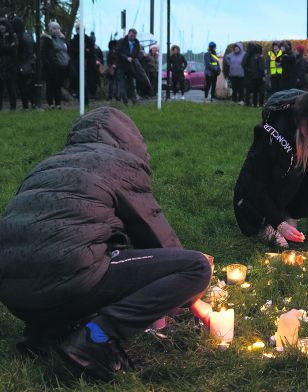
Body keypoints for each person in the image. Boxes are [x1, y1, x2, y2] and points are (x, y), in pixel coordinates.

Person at [0, 106, 213, 381]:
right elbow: (158, 237)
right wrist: (191, 296)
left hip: (15, 294)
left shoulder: (48, 164)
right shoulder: (119, 163)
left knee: (86, 254)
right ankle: (96, 338)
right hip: (71, 280)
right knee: (195, 267)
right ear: (129, 139)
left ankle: (43, 335)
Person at [233, 89, 308, 248]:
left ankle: (288, 214)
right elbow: (254, 185)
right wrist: (278, 223)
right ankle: (268, 223)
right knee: (292, 171)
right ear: (300, 119)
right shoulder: (272, 135)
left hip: (291, 189)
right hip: (256, 201)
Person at [40, 21, 69, 109]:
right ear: (50, 29)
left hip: (61, 65)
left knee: (58, 85)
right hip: (51, 66)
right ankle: (50, 103)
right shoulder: (46, 39)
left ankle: (58, 103)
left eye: (58, 28)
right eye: (54, 28)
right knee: (50, 85)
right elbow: (43, 53)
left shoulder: (62, 39)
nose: (57, 30)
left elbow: (66, 49)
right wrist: (48, 63)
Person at [11, 17, 34, 110]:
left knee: (22, 86)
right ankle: (31, 103)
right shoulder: (27, 36)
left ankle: (27, 105)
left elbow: (19, 52)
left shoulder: (19, 37)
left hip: (21, 63)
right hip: (28, 63)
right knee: (24, 85)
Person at [116, 28, 142, 105]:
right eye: (131, 35)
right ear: (128, 34)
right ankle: (125, 101)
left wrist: (133, 58)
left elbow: (136, 54)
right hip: (121, 65)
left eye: (134, 36)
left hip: (130, 66)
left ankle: (134, 100)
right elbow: (118, 52)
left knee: (131, 84)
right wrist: (126, 58)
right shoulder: (121, 41)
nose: (132, 37)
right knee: (122, 84)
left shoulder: (136, 43)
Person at [0, 17, 18, 111]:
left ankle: (13, 108)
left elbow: (14, 49)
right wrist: (8, 47)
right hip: (1, 65)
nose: (1, 27)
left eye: (3, 24)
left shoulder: (12, 36)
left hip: (10, 65)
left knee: (11, 87)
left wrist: (5, 47)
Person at [243, 42, 265, 107]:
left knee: (254, 91)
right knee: (261, 91)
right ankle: (260, 104)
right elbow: (261, 68)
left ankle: (254, 104)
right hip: (259, 76)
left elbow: (244, 64)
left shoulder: (251, 56)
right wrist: (263, 74)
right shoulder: (260, 57)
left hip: (252, 76)